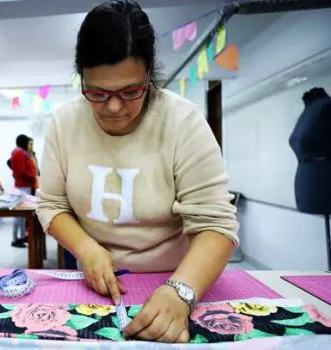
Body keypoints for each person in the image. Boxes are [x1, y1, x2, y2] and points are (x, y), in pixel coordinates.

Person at [36, 0, 239, 343]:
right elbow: (51, 205)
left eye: (131, 91)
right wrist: (87, 249)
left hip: (179, 277)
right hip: (94, 283)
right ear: (80, 76)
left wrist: (181, 291)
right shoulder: (64, 122)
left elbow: (216, 226)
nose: (114, 107)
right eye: (97, 93)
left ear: (150, 75)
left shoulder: (182, 122)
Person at [9, 134, 36, 248]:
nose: (31, 146)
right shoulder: (20, 153)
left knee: (22, 216)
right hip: (23, 187)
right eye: (30, 143)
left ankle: (21, 237)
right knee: (20, 215)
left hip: (23, 186)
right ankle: (16, 239)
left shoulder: (18, 152)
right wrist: (33, 174)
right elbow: (22, 171)